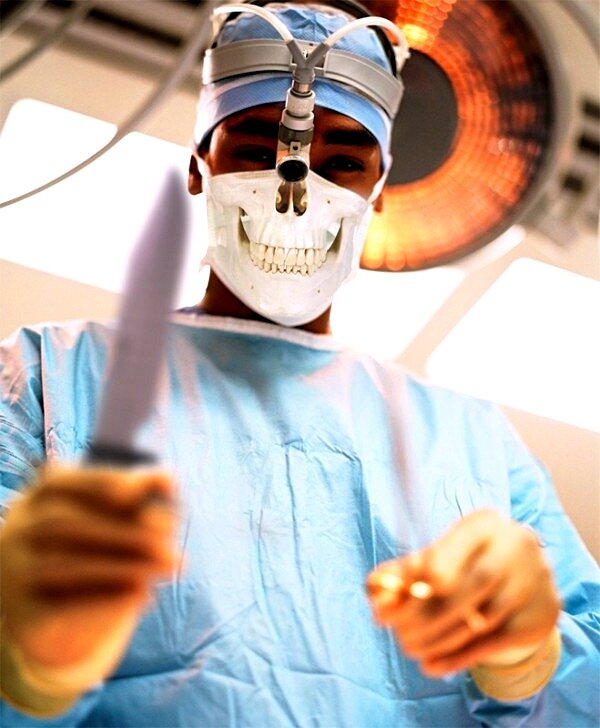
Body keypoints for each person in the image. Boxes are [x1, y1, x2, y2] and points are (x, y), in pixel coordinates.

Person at [0, 2, 598, 726]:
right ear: (198, 166)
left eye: (343, 162)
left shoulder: (472, 445)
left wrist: (529, 658)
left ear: (379, 190)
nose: (296, 191)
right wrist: (30, 667)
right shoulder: (46, 380)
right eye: (257, 150)